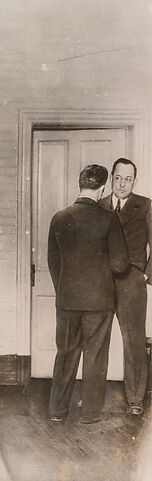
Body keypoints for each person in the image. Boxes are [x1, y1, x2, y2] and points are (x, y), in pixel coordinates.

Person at [48, 164, 130, 424]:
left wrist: (64, 289)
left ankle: (57, 411)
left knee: (66, 353)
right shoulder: (109, 219)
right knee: (95, 356)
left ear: (80, 185)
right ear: (102, 188)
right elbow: (120, 264)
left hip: (68, 299)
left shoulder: (59, 218)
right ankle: (90, 413)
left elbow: (53, 262)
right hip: (98, 301)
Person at [99, 158, 152, 416]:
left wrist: (145, 274)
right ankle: (92, 396)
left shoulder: (145, 206)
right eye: (118, 178)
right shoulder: (99, 206)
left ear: (134, 180)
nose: (122, 184)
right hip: (102, 283)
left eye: (128, 179)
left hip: (133, 282)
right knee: (97, 339)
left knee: (134, 342)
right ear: (111, 178)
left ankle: (135, 398)